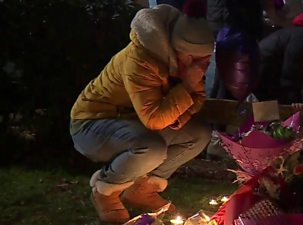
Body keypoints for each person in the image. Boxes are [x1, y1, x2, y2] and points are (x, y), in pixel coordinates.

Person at [69, 2, 214, 224]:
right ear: (182, 54)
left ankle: (143, 189)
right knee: (151, 147)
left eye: (206, 61)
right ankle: (105, 190)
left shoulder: (185, 63)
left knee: (199, 134)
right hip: (93, 123)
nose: (202, 68)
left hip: (135, 121)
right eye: (198, 61)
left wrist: (180, 116)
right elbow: (155, 119)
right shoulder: (141, 59)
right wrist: (186, 86)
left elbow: (198, 98)